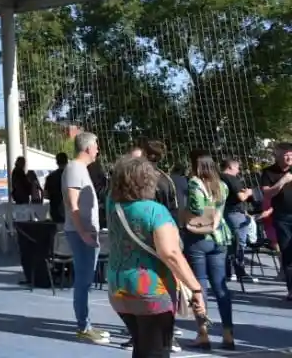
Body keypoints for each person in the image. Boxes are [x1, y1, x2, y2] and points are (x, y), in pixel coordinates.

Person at [107, 156, 206, 358]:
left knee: (141, 346)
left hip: (118, 285)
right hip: (150, 288)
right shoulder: (155, 211)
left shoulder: (113, 205)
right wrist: (195, 288)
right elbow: (170, 253)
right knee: (157, 350)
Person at [180, 149, 235, 350]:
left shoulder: (195, 183)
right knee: (220, 287)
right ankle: (228, 334)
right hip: (219, 236)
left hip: (199, 238)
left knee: (199, 286)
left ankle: (203, 333)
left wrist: (184, 213)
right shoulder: (222, 185)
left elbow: (197, 209)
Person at [63, 132, 109, 344]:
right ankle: (83, 327)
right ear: (88, 148)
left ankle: (86, 323)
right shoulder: (74, 169)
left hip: (86, 232)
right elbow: (72, 204)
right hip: (81, 234)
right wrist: (83, 233)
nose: (98, 150)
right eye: (96, 146)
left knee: (86, 280)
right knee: (83, 281)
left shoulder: (81, 169)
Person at [258, 142, 292, 301]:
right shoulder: (268, 172)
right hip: (283, 218)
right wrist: (283, 181)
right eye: (286, 154)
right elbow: (267, 194)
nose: (289, 157)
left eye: (291, 154)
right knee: (287, 253)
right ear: (277, 155)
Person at [219, 158, 253, 282]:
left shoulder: (218, 178)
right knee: (239, 242)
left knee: (229, 242)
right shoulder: (231, 179)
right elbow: (241, 197)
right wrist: (248, 192)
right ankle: (240, 271)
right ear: (231, 167)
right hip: (235, 213)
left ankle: (228, 271)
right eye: (237, 168)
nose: (238, 171)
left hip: (224, 212)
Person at [46, 153, 69, 223]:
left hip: (55, 210)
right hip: (69, 210)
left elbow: (46, 195)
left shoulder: (50, 177)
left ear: (57, 162)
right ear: (67, 161)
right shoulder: (72, 175)